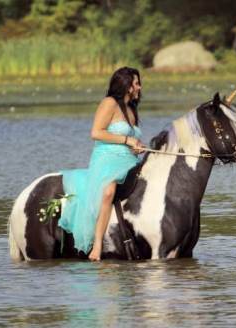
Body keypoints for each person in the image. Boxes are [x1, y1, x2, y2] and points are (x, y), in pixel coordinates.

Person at [58, 67, 145, 261]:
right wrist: (126, 140)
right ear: (126, 85)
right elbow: (96, 133)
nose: (139, 87)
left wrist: (136, 147)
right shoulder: (109, 103)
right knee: (109, 191)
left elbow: (129, 140)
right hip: (107, 158)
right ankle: (97, 246)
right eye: (136, 83)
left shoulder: (131, 108)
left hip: (129, 159)